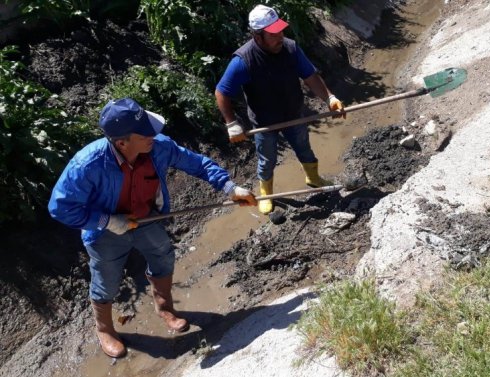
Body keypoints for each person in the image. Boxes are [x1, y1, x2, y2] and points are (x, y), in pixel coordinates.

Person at [48, 98, 257, 358]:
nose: (154, 135)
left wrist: (229, 188)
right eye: (146, 132)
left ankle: (165, 307)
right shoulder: (87, 165)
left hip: (147, 219)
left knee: (163, 256)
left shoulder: (159, 147)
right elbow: (60, 207)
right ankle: (104, 329)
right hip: (104, 232)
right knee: (107, 281)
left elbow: (198, 164)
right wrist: (108, 221)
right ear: (122, 142)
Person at [215, 4, 346, 215]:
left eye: (281, 30)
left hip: (293, 113)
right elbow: (221, 92)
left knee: (303, 146)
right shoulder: (243, 61)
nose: (280, 36)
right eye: (273, 34)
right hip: (265, 122)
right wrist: (231, 123)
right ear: (258, 37)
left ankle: (313, 178)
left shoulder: (291, 48)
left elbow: (310, 76)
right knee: (267, 159)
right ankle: (266, 194)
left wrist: (330, 98)